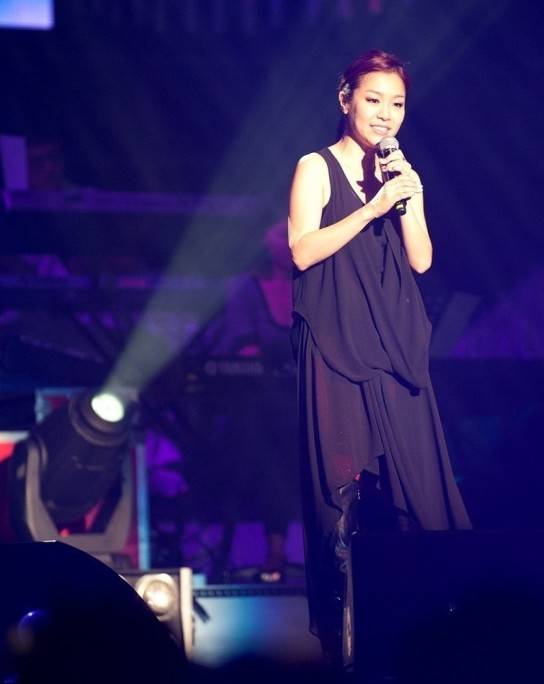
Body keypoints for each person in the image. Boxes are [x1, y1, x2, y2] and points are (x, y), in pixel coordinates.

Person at [288, 49, 471, 662]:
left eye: (397, 104)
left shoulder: (400, 172)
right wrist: (371, 207)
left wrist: (408, 197)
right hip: (335, 341)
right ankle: (345, 649)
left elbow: (421, 260)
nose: (385, 114)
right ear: (346, 100)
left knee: (422, 490)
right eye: (373, 100)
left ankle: (444, 635)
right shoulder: (315, 167)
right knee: (341, 498)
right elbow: (302, 250)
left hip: (395, 342)